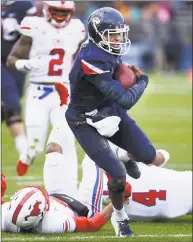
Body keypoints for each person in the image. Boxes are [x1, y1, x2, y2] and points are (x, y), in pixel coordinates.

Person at [57, 7, 166, 237]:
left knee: (149, 156)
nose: (117, 40)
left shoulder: (105, 49)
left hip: (108, 109)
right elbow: (125, 100)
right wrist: (142, 81)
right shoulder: (91, 58)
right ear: (98, 35)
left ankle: (125, 154)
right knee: (118, 177)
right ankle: (121, 218)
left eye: (119, 34)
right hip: (84, 119)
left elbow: (117, 98)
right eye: (112, 35)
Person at [6, 1, 85, 196]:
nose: (59, 15)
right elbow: (11, 59)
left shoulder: (77, 28)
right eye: (56, 10)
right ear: (47, 9)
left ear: (71, 12)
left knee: (67, 141)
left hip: (63, 93)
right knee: (35, 146)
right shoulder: (35, 26)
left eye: (63, 11)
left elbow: (78, 60)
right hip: (38, 92)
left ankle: (71, 193)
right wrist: (24, 64)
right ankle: (28, 155)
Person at [1, 177, 114, 234]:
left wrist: (1, 192)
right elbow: (92, 224)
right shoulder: (52, 224)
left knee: (53, 149)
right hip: (82, 207)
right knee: (94, 162)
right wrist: (116, 201)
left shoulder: (6, 217)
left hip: (58, 196)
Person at [1, 0, 37, 156]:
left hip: (18, 61)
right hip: (2, 60)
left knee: (9, 105)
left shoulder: (24, 5)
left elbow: (37, 29)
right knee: (11, 100)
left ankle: (22, 146)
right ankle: (23, 147)